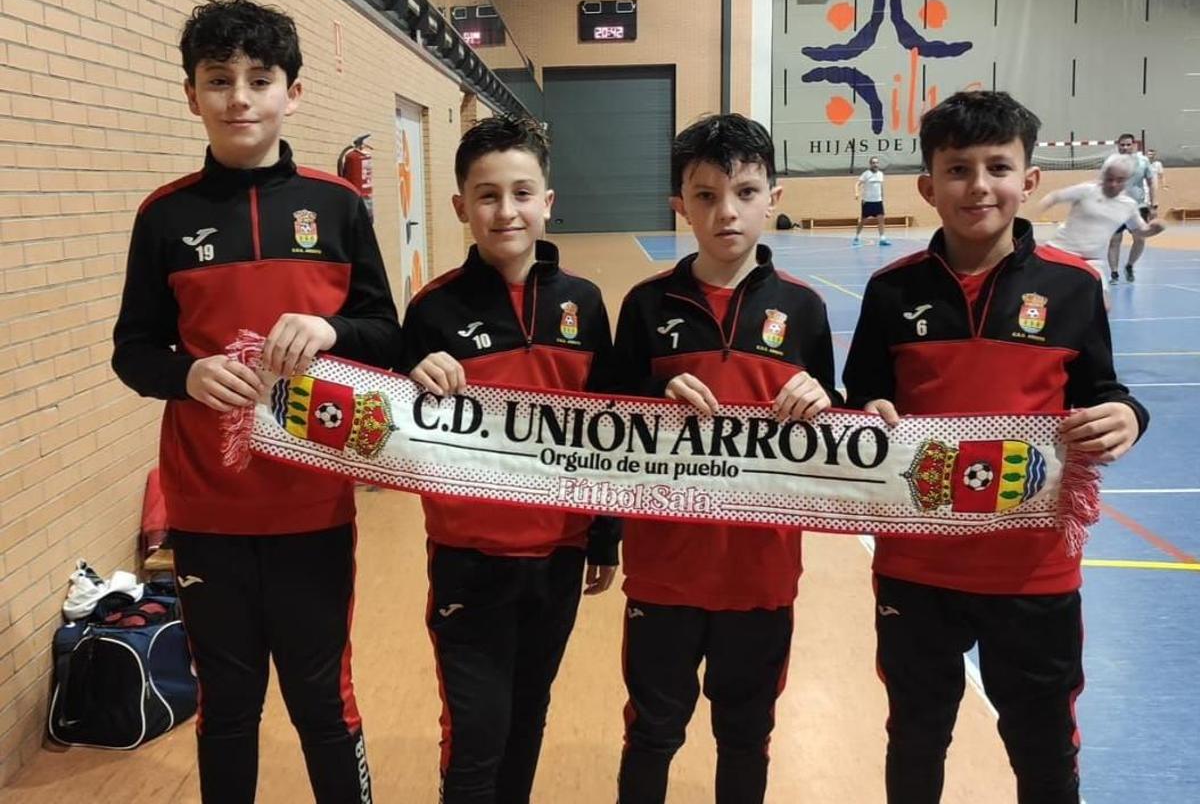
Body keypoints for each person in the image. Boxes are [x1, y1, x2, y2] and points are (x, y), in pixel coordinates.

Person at [111, 0, 400, 804]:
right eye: (218, 79)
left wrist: (332, 330)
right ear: (191, 94)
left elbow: (390, 335)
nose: (239, 96)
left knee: (321, 701)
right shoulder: (163, 217)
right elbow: (133, 352)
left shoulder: (338, 207)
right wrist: (186, 374)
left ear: (291, 93)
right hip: (207, 512)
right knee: (228, 709)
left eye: (259, 78)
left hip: (313, 505)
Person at [843, 90, 1149, 804]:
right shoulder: (892, 293)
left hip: (1034, 571)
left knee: (1042, 744)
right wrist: (864, 413)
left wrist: (1128, 417)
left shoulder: (1073, 288)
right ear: (927, 186)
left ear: (1029, 180)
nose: (978, 186)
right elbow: (859, 400)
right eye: (957, 169)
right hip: (917, 567)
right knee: (917, 735)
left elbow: (1104, 388)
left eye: (997, 167)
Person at [611, 113, 840, 804]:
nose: (726, 211)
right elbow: (605, 422)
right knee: (653, 729)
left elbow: (841, 427)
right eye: (706, 195)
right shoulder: (647, 305)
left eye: (744, 191)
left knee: (746, 733)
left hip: (761, 571)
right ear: (680, 202)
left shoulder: (803, 309)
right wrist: (652, 391)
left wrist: (825, 397)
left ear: (774, 196)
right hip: (664, 572)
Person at [398, 116, 620, 804]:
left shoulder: (582, 302)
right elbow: (393, 417)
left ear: (547, 202)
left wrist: (605, 535)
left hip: (558, 556)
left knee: (528, 717)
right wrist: (412, 370)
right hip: (470, 556)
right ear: (461, 206)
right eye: (487, 195)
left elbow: (608, 429)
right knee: (476, 734)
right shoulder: (432, 309)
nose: (506, 210)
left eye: (522, 192)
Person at [1038, 153, 1166, 308]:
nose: (1113, 184)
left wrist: (1155, 228)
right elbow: (1055, 196)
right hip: (1059, 253)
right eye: (1110, 179)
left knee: (1104, 306)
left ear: (1127, 180)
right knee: (1045, 303)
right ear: (1103, 175)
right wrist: (1040, 209)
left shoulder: (1128, 205)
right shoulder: (1086, 190)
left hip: (1091, 261)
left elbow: (1140, 231)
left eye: (1120, 180)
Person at [1105, 133, 1158, 283]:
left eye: (1128, 144)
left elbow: (1151, 183)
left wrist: (1154, 205)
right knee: (1115, 240)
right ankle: (1114, 273)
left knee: (1140, 239)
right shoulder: (1111, 162)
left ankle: (1129, 265)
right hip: (1115, 207)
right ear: (1118, 146)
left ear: (1134, 145)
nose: (1125, 147)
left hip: (1138, 207)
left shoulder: (1143, 161)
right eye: (1122, 145)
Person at [854, 155, 890, 246]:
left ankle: (882, 238)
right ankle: (857, 237)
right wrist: (856, 193)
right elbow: (857, 183)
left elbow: (881, 186)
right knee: (863, 220)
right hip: (867, 201)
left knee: (881, 219)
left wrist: (882, 197)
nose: (875, 164)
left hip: (878, 201)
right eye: (873, 163)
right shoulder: (866, 174)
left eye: (876, 162)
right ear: (870, 164)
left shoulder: (881, 174)